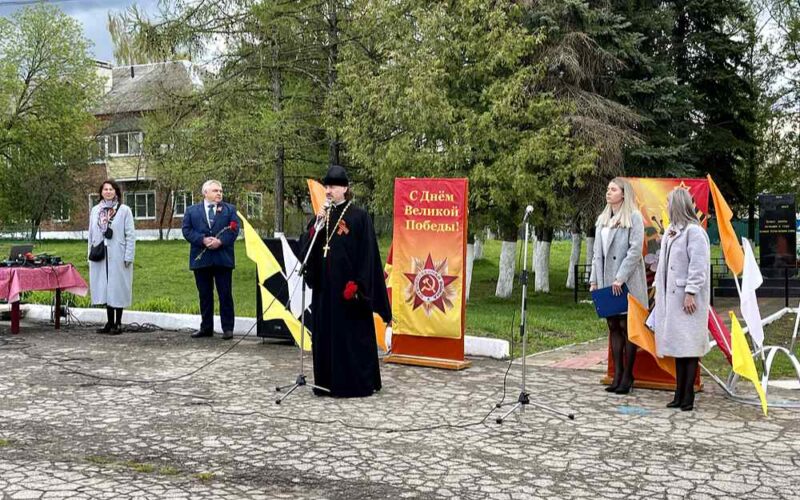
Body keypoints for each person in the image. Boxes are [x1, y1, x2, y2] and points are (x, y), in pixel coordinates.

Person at [301, 165, 391, 398]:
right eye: (327, 187)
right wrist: (316, 225)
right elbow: (307, 248)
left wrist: (358, 285)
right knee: (326, 336)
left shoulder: (359, 217)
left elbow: (368, 255)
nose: (329, 191)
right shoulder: (322, 215)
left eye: (333, 187)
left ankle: (355, 383)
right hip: (324, 289)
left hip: (348, 290)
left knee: (350, 338)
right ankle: (326, 382)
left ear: (345, 188)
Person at [653, 188, 710, 411]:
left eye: (668, 202)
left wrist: (691, 292)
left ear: (677, 204)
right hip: (672, 300)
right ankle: (679, 394)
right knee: (679, 349)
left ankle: (688, 396)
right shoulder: (671, 231)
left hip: (687, 301)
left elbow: (698, 266)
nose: (666, 206)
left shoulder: (694, 232)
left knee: (689, 350)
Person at [589, 177, 648, 394]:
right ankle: (616, 375)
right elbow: (597, 254)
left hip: (626, 282)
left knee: (626, 327)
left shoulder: (633, 217)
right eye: (608, 189)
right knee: (613, 326)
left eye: (613, 189)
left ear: (623, 193)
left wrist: (621, 277)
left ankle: (628, 376)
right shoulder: (603, 219)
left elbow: (635, 251)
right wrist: (594, 280)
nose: (608, 192)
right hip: (606, 282)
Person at [182, 180, 240, 340]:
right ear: (205, 193)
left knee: (225, 294)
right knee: (205, 295)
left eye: (220, 190)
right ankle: (206, 327)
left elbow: (235, 230)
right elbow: (186, 230)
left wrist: (220, 241)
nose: (219, 193)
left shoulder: (230, 210)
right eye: (215, 190)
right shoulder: (192, 211)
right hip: (201, 259)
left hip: (222, 258)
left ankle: (228, 328)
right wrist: (202, 240)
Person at [88, 180, 135, 335]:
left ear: (116, 192)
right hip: (101, 253)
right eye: (105, 189)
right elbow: (91, 234)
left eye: (111, 189)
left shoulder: (124, 210)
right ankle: (109, 322)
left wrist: (128, 256)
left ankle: (118, 323)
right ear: (101, 192)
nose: (108, 192)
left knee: (118, 288)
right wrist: (90, 253)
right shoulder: (96, 210)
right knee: (106, 288)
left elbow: (130, 235)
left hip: (118, 255)